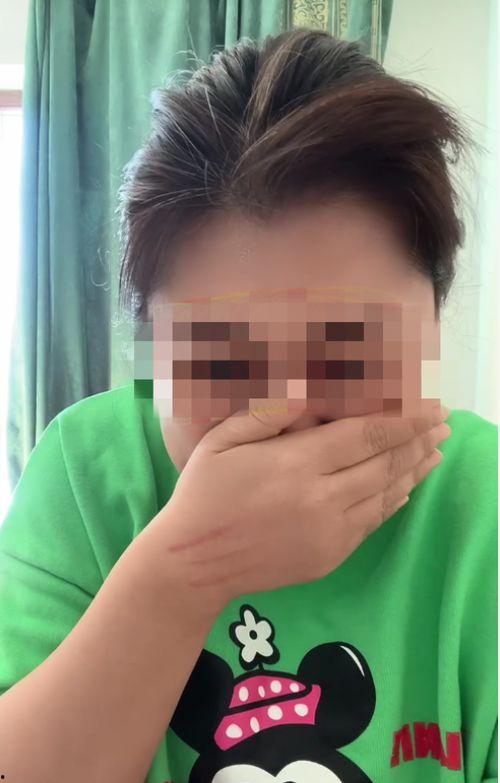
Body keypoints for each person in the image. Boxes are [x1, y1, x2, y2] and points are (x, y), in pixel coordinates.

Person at [0, 28, 496, 783]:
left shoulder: (484, 503)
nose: (287, 411)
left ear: (435, 319)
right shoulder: (85, 470)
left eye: (351, 350)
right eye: (223, 360)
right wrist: (185, 573)